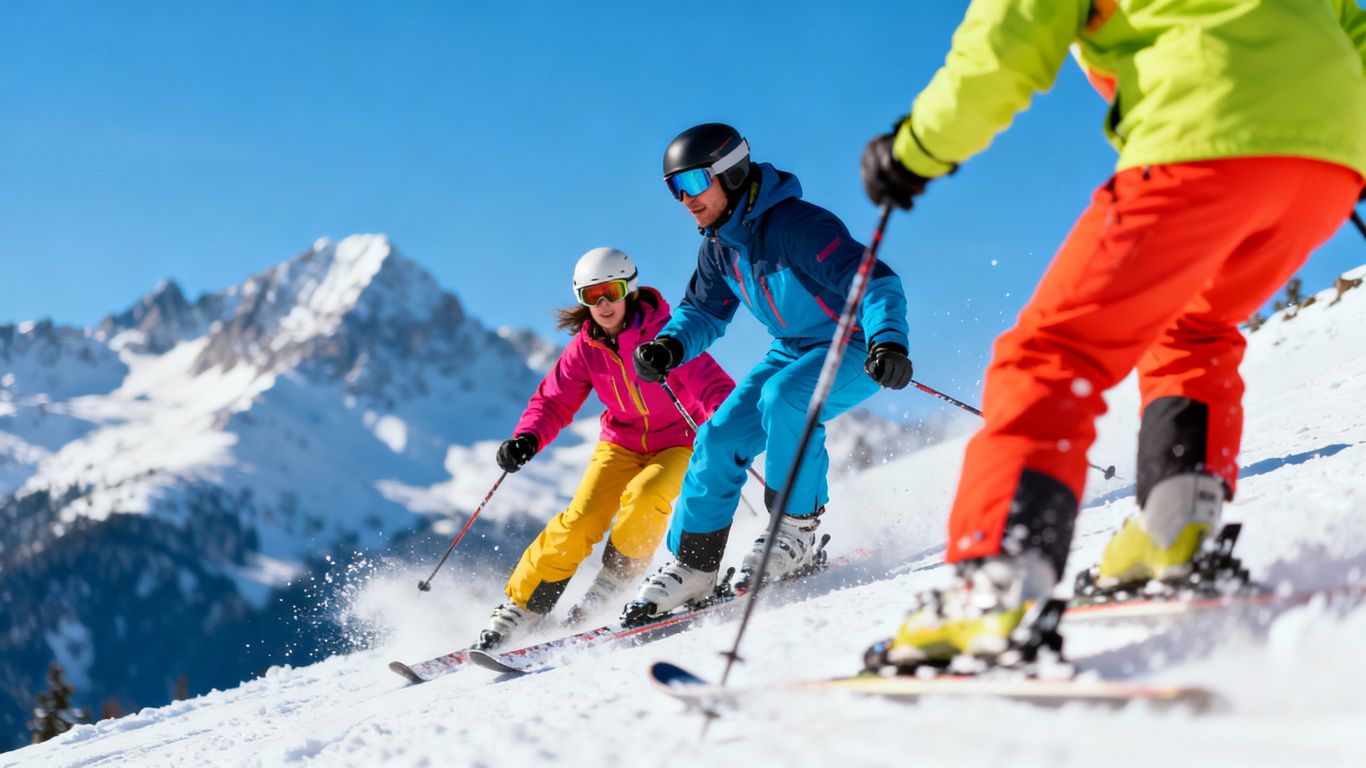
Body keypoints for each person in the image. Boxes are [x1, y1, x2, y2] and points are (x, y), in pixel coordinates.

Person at [861, 0, 1366, 666]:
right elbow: (1350, 24)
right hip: (1329, 157)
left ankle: (995, 585)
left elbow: (1008, 38)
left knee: (1050, 351)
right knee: (1194, 326)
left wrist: (917, 148)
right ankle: (1175, 530)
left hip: (1203, 133)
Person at [626, 123, 914, 618]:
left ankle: (795, 530)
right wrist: (669, 345)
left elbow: (875, 282)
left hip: (856, 344)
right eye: (675, 189)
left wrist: (888, 340)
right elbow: (703, 313)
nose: (685, 200)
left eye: (694, 183)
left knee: (786, 397)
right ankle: (695, 566)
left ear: (731, 174)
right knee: (718, 437)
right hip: (794, 350)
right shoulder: (719, 246)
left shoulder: (797, 227)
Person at [477, 247, 734, 650]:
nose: (603, 304)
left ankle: (612, 585)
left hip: (678, 441)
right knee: (580, 520)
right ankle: (524, 608)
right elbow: (553, 401)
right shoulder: (585, 348)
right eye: (591, 295)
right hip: (620, 443)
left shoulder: (665, 333)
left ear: (628, 289)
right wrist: (527, 437)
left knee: (646, 498)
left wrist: (728, 425)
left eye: (611, 291)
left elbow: (711, 384)